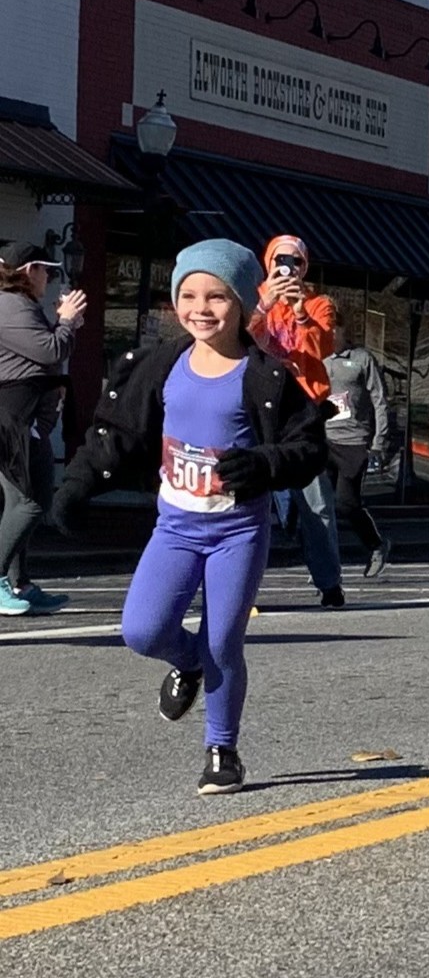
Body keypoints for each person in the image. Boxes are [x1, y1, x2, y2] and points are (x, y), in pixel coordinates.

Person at [47, 240, 328, 794]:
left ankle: (222, 748)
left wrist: (264, 464)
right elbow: (117, 433)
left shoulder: (266, 375)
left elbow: (309, 447)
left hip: (238, 530)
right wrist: (74, 487)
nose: (202, 308)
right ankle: (188, 664)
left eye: (217, 296)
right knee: (142, 630)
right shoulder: (157, 366)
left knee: (225, 639)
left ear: (246, 303)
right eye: (189, 294)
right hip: (175, 526)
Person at [249, 236, 344, 608]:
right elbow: (242, 335)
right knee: (257, 498)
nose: (289, 269)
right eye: (281, 261)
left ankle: (329, 582)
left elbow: (323, 348)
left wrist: (300, 311)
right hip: (259, 406)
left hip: (302, 408)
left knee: (316, 502)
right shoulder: (255, 296)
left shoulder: (317, 303)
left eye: (297, 262)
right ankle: (243, 586)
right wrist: (267, 302)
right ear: (269, 262)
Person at [0, 241, 84, 615]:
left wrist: (68, 326)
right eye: (44, 270)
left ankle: (20, 582)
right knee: (30, 501)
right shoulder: (9, 305)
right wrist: (65, 321)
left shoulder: (21, 306)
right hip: (12, 415)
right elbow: (50, 351)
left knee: (27, 500)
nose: (49, 278)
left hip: (28, 414)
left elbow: (52, 353)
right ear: (28, 270)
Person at [322, 314, 395, 579]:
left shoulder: (362, 359)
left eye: (332, 330)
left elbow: (379, 400)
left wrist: (379, 441)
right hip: (324, 439)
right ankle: (324, 559)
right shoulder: (318, 358)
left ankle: (376, 545)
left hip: (354, 441)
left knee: (345, 503)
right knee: (320, 506)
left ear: (342, 330)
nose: (328, 335)